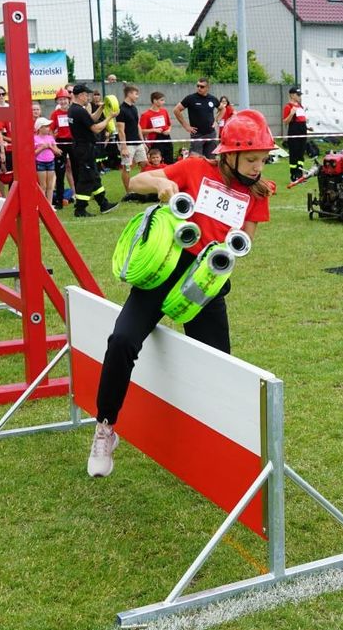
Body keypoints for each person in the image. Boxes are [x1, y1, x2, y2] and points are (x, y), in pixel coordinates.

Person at [88, 109, 276, 477]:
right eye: (252, 159)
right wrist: (161, 185)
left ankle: (222, 447)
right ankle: (105, 429)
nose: (258, 167)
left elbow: (246, 238)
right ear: (228, 153)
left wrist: (231, 249)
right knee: (122, 340)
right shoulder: (193, 168)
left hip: (206, 281)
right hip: (165, 270)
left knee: (217, 366)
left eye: (263, 160)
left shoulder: (258, 192)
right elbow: (137, 181)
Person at [67, 84, 117, 216]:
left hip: (82, 147)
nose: (88, 97)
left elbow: (91, 119)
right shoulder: (79, 111)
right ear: (80, 95)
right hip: (85, 148)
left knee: (94, 177)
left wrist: (101, 108)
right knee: (87, 178)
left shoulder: (74, 109)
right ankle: (80, 209)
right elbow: (96, 128)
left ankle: (103, 204)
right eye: (86, 95)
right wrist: (109, 117)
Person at [174, 77, 220, 158]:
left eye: (202, 87)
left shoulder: (212, 99)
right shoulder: (191, 98)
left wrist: (217, 121)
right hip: (197, 134)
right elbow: (176, 110)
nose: (199, 88)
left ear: (208, 87)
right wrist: (186, 126)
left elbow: (223, 109)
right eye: (197, 86)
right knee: (195, 160)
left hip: (211, 134)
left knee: (211, 159)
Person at [115, 84, 147, 192]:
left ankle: (143, 187)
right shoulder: (121, 109)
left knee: (145, 164)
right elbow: (120, 130)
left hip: (138, 142)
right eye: (136, 94)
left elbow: (137, 125)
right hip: (127, 144)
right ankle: (128, 192)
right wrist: (123, 147)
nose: (137, 96)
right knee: (127, 167)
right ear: (129, 94)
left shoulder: (134, 108)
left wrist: (143, 142)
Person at [50, 88, 75, 209]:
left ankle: (78, 197)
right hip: (60, 143)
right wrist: (53, 145)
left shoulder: (74, 111)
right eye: (60, 99)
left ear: (69, 100)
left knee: (76, 170)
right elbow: (50, 130)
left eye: (65, 99)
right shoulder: (55, 114)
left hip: (74, 142)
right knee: (60, 173)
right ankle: (59, 200)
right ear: (57, 101)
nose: (63, 101)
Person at [140, 91, 174, 169]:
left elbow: (169, 125)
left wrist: (168, 130)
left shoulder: (164, 111)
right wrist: (153, 130)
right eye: (161, 100)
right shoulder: (146, 115)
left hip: (166, 138)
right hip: (155, 140)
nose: (163, 102)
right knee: (156, 160)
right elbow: (141, 130)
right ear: (155, 101)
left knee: (169, 160)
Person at [282, 87, 308, 182]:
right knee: (294, 154)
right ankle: (293, 175)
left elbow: (301, 120)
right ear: (292, 95)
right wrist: (291, 114)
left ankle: (300, 174)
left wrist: (307, 127)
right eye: (298, 95)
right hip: (294, 132)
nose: (300, 97)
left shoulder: (300, 106)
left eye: (300, 95)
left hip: (303, 132)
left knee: (301, 155)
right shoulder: (288, 107)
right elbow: (285, 121)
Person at [34, 116, 61, 207]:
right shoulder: (34, 138)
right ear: (40, 128)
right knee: (43, 186)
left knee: (50, 186)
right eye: (46, 126)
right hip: (40, 163)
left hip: (51, 162)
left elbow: (58, 152)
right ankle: (42, 205)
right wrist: (42, 147)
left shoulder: (51, 138)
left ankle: (49, 205)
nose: (48, 128)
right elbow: (32, 154)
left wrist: (51, 147)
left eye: (48, 126)